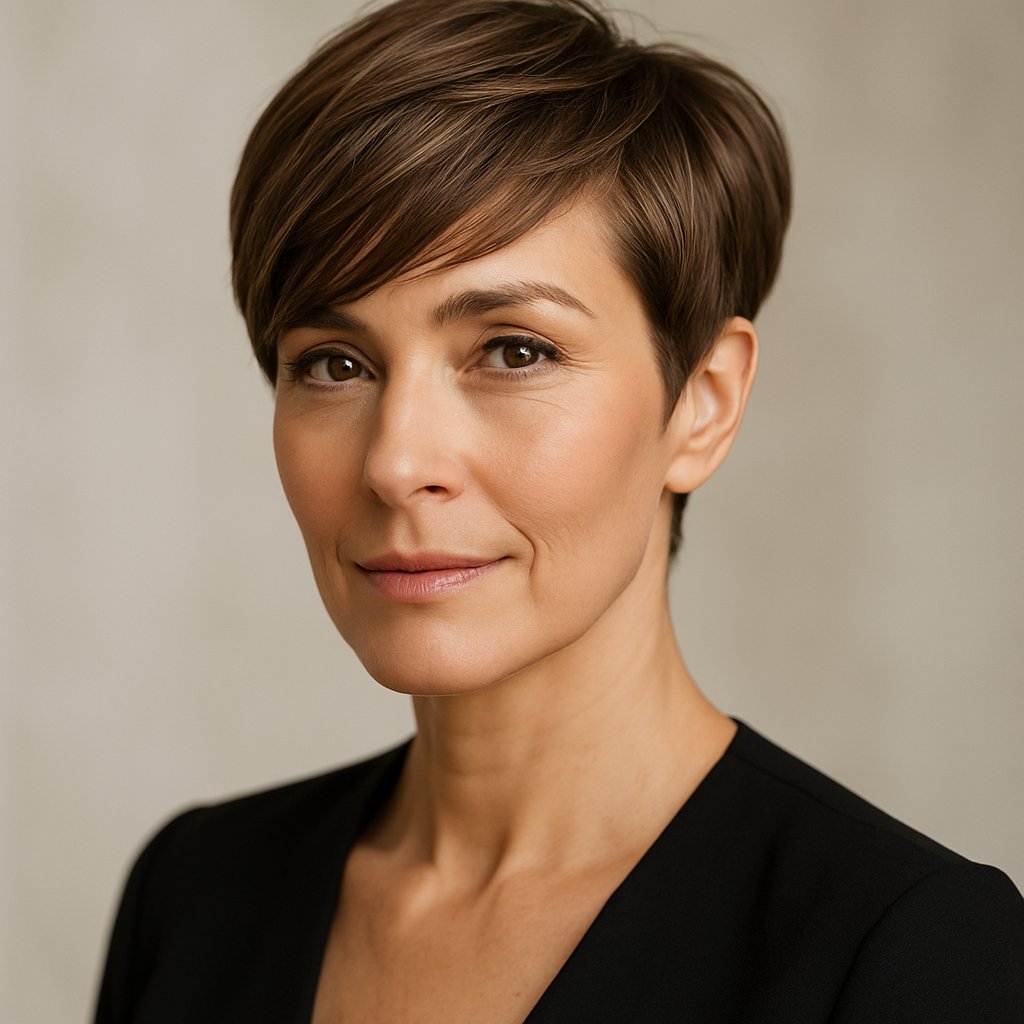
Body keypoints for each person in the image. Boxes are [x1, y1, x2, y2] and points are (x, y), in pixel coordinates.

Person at [93, 0, 1024, 1021]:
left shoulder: (908, 952)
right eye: (335, 363)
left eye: (512, 350)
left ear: (702, 404)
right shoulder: (192, 896)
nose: (398, 463)